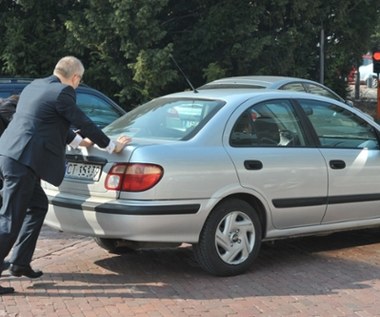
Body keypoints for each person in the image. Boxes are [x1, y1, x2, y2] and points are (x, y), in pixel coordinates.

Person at [0, 56, 131, 295]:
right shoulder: (63, 92)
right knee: (9, 220)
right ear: (76, 78)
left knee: (37, 206)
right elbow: (83, 121)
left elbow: (53, 122)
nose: (77, 86)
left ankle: (19, 262)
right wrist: (112, 146)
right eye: (79, 82)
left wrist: (82, 142)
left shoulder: (36, 86)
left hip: (13, 155)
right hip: (22, 161)